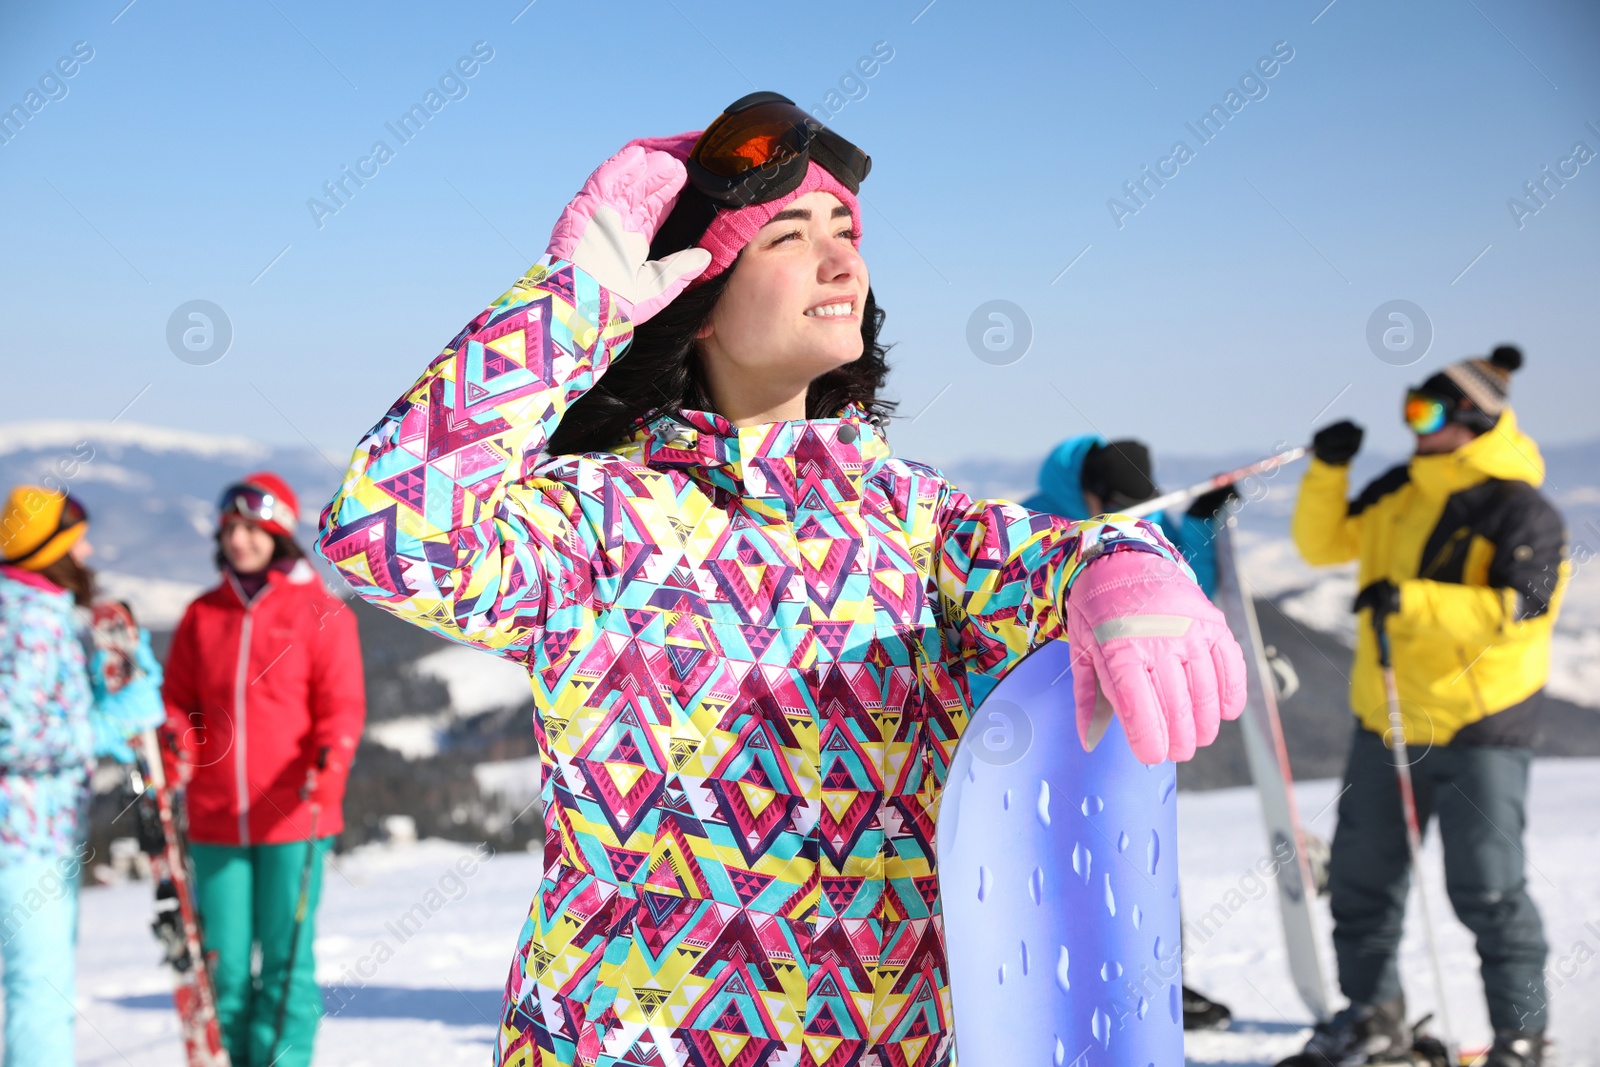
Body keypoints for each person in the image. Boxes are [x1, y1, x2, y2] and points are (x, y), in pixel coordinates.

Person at [318, 91, 1249, 1067]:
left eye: (847, 232)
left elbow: (1046, 559)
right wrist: (570, 306)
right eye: (787, 237)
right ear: (698, 304)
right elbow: (380, 532)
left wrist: (1124, 569)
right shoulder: (596, 522)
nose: (843, 259)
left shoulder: (910, 520)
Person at [1283, 346, 1564, 1067]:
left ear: (1469, 418)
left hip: (1480, 723)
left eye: (1427, 410)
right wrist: (1329, 471)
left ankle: (1520, 1038)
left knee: (1488, 889)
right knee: (1360, 876)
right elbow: (1320, 544)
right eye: (1410, 406)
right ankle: (1374, 1017)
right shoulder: (1400, 486)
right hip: (1389, 718)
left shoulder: (1517, 505)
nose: (1413, 423)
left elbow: (1523, 606)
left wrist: (1412, 602)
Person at [1026, 434, 1237, 1031]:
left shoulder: (1141, 529)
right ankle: (1060, 986)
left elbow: (1183, 590)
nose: (1121, 511)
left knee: (1140, 857)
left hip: (1124, 728)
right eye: (1112, 499)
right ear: (1084, 487)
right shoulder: (1034, 525)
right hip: (1048, 733)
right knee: (1059, 861)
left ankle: (1156, 974)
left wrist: (1202, 522)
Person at [160, 472, 366, 1067]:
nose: (241, 541)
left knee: (286, 966)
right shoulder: (203, 615)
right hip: (216, 815)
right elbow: (177, 700)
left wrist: (331, 761)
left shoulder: (322, 613)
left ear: (278, 534)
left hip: (295, 815)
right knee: (219, 967)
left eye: (254, 529)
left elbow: (342, 707)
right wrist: (176, 737)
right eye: (231, 529)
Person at [0, 487, 164, 1067]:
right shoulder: (26, 624)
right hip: (23, 838)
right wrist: (101, 726)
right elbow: (16, 735)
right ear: (50, 551)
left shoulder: (31, 613)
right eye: (77, 540)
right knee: (38, 993)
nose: (89, 549)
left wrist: (105, 698)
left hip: (35, 831)